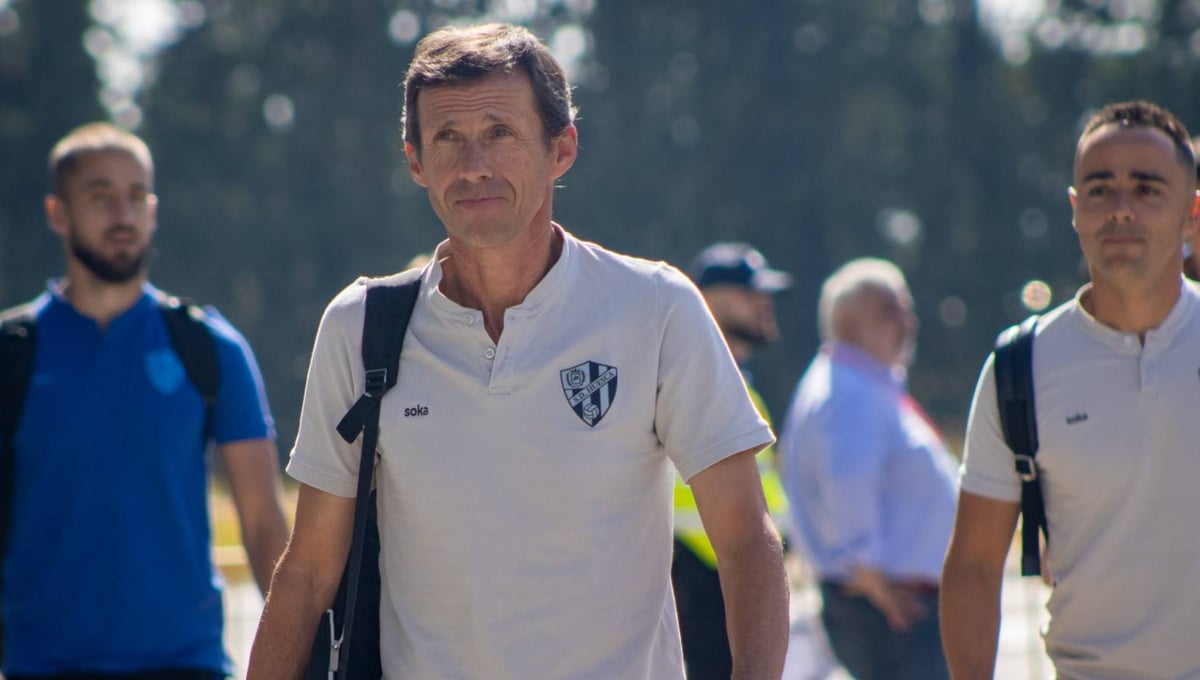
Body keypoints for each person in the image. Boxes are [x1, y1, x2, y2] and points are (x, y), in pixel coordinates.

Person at [247, 22, 789, 680]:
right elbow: (307, 574)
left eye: (499, 132)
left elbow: (745, 539)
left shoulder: (656, 306)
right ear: (415, 162)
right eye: (447, 137)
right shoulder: (359, 327)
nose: (473, 165)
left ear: (562, 149)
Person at [0, 123, 289, 678]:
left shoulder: (210, 348)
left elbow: (262, 526)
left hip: (186, 665)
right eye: (100, 196)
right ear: (58, 213)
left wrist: (306, 660)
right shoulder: (12, 354)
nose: (123, 214)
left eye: (137, 196)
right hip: (41, 667)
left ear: (154, 211)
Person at [942, 100, 1200, 679]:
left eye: (1147, 189)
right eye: (1100, 190)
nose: (1121, 209)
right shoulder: (1020, 366)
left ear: (1192, 213)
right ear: (1075, 210)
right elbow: (975, 565)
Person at [778, 258, 957, 680]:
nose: (908, 322)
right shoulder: (848, 392)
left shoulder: (854, 384)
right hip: (892, 609)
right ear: (847, 322)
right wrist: (872, 577)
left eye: (906, 308)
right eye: (890, 310)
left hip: (889, 606)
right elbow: (847, 482)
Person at [672, 242, 792, 680]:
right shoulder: (679, 378)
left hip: (733, 579)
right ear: (704, 298)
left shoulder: (743, 386)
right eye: (748, 291)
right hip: (696, 582)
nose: (764, 302)